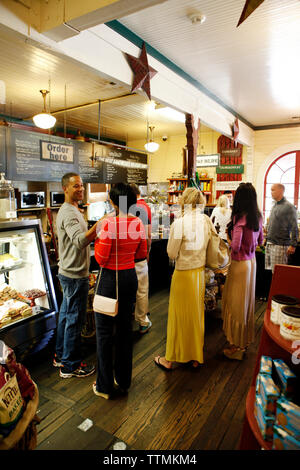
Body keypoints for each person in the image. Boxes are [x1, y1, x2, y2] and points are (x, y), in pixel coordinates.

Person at [93, 183, 147, 399]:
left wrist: (98, 240)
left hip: (109, 279)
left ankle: (104, 386)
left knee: (104, 333)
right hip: (129, 277)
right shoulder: (138, 223)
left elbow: (101, 258)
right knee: (125, 330)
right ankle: (123, 381)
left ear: (114, 202)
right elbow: (141, 253)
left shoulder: (109, 225)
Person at [154, 187, 214, 371]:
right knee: (196, 315)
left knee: (178, 317)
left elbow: (171, 252)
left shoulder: (179, 223)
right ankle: (195, 356)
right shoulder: (205, 221)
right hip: (199, 273)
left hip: (182, 274)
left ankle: (170, 358)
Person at [54, 172, 99, 378]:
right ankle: (70, 366)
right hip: (74, 275)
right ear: (65, 189)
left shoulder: (73, 209)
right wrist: (101, 224)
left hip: (69, 272)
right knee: (74, 319)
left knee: (66, 316)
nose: (80, 189)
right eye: (76, 187)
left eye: (81, 186)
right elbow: (80, 241)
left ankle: (61, 355)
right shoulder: (69, 212)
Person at [222, 183, 264, 360]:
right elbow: (261, 240)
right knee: (246, 304)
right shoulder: (258, 218)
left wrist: (228, 238)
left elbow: (236, 246)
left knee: (236, 304)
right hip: (251, 262)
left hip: (239, 266)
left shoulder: (240, 220)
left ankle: (236, 346)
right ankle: (244, 341)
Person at [130, 183, 152, 333]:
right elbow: (148, 235)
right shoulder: (145, 208)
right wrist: (147, 251)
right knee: (142, 290)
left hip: (124, 258)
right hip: (139, 256)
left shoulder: (121, 208)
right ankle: (143, 321)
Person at [265, 183, 298, 273]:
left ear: (281, 190)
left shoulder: (289, 206)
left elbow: (294, 225)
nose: (271, 192)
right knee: (271, 273)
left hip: (280, 245)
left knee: (279, 273)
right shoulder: (274, 205)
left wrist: (293, 244)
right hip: (270, 243)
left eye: (273, 190)